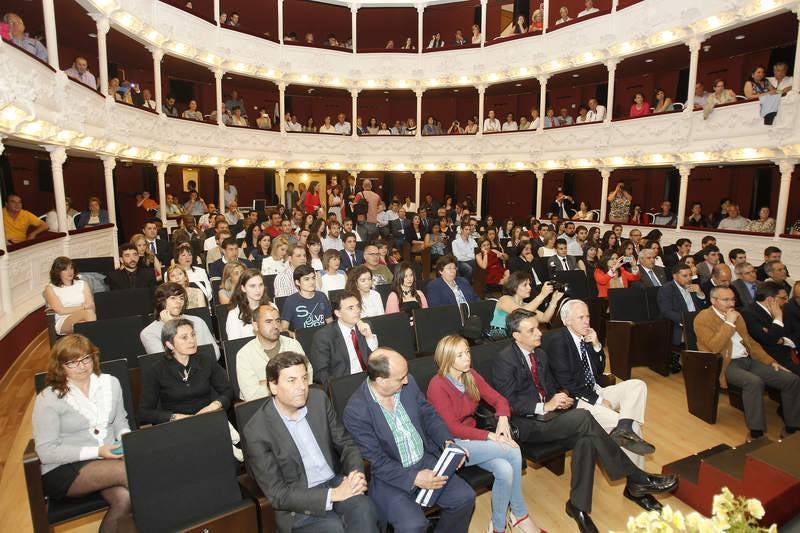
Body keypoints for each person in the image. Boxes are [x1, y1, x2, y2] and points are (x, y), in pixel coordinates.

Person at [493, 310, 679, 530]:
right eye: (532, 330)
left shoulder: (540, 354)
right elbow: (507, 402)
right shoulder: (504, 360)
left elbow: (551, 387)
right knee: (584, 417)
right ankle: (637, 478)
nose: (539, 333)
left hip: (551, 417)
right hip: (528, 424)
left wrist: (560, 398)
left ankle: (578, 507)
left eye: (538, 327)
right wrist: (544, 406)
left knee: (587, 439)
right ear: (516, 336)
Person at [242, 351, 379, 532]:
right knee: (333, 529)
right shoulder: (256, 431)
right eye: (292, 380)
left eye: (304, 378)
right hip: (298, 502)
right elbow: (278, 494)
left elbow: (346, 443)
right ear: (273, 386)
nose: (302, 387)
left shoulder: (318, 400)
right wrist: (333, 495)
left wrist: (356, 475)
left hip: (334, 480)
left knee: (365, 509)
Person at [343, 349, 475, 533]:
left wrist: (447, 442)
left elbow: (429, 415)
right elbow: (377, 462)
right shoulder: (356, 411)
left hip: (424, 459)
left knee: (465, 497)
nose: (406, 380)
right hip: (390, 476)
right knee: (413, 525)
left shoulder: (408, 384)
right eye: (400, 378)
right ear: (381, 380)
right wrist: (415, 478)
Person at [427, 335, 541, 533]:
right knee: (512, 450)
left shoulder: (469, 374)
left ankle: (497, 527)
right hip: (453, 443)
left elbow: (499, 399)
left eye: (467, 352)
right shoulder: (437, 385)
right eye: (460, 355)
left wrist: (503, 417)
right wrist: (489, 436)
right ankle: (520, 514)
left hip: (473, 438)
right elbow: (451, 427)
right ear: (447, 358)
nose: (467, 358)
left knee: (505, 470)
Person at [32, 335, 130, 531]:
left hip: (108, 458)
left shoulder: (111, 383)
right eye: (72, 362)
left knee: (125, 498)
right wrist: (98, 451)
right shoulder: (48, 398)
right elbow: (46, 452)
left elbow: (120, 421)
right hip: (64, 467)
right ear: (60, 366)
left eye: (86, 358)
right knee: (135, 472)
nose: (82, 366)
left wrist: (126, 441)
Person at [545, 300, 654, 469]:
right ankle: (637, 478)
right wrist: (599, 400)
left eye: (587, 316)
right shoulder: (558, 341)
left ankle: (623, 428)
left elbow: (598, 372)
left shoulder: (586, 337)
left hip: (594, 390)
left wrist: (596, 345)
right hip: (577, 400)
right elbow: (567, 383)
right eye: (581, 317)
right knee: (633, 427)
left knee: (638, 385)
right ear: (567, 321)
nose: (587, 321)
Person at [695, 286, 800, 440]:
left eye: (733, 299)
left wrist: (770, 361)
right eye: (726, 300)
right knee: (753, 382)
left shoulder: (737, 315)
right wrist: (729, 323)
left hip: (747, 359)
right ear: (713, 300)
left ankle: (792, 426)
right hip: (725, 364)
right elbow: (714, 347)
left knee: (791, 380)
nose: (731, 303)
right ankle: (756, 432)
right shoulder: (703, 318)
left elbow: (750, 341)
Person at [138, 318, 233, 426]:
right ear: (170, 344)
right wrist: (174, 417)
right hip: (176, 425)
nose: (192, 340)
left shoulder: (206, 361)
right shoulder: (156, 370)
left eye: (193, 335)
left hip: (208, 418)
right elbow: (145, 412)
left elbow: (228, 390)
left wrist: (215, 405)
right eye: (184, 337)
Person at [236, 305, 307, 401]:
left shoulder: (293, 345)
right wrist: (288, 382)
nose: (275, 326)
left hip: (295, 401)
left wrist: (266, 383)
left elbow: (307, 378)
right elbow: (251, 395)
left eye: (277, 321)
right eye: (268, 322)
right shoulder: (244, 354)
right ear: (256, 325)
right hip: (261, 406)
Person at [308, 290, 378, 387]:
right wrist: (340, 388)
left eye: (358, 306)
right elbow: (321, 373)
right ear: (338, 313)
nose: (357, 311)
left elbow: (376, 359)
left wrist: (369, 337)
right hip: (343, 384)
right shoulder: (324, 336)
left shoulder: (364, 327)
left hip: (368, 381)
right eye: (351, 308)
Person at [740, 282, 800, 376]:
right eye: (783, 298)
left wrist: (783, 340)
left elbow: (793, 332)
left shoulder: (783, 309)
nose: (787, 301)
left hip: (790, 352)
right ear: (770, 300)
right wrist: (778, 318)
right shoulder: (748, 313)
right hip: (772, 359)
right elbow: (769, 340)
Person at [490, 274, 563, 339]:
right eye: (525, 285)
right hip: (499, 334)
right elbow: (521, 313)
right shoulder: (505, 299)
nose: (529, 288)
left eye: (529, 285)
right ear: (514, 287)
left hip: (516, 335)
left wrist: (554, 301)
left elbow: (545, 318)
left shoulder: (526, 305)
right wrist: (542, 295)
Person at [658, 263, 707, 349]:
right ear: (675, 276)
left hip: (699, 323)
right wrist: (687, 321)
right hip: (681, 325)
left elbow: (704, 307)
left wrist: (700, 293)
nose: (689, 278)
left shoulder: (694, 287)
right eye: (685, 276)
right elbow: (666, 312)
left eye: (690, 275)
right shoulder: (666, 289)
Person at [44, 257, 96, 335]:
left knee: (88, 317)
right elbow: (61, 311)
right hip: (64, 321)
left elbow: (91, 305)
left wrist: (85, 308)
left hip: (86, 318)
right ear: (58, 272)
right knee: (88, 314)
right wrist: (83, 307)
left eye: (71, 268)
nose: (70, 272)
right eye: (65, 269)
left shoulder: (82, 284)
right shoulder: (50, 288)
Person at [280, 265, 333, 334]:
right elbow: (284, 328)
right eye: (307, 279)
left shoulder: (321, 296)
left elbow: (330, 322)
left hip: (322, 336)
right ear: (297, 282)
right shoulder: (291, 301)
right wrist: (295, 335)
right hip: (302, 338)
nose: (312, 282)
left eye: (313, 278)